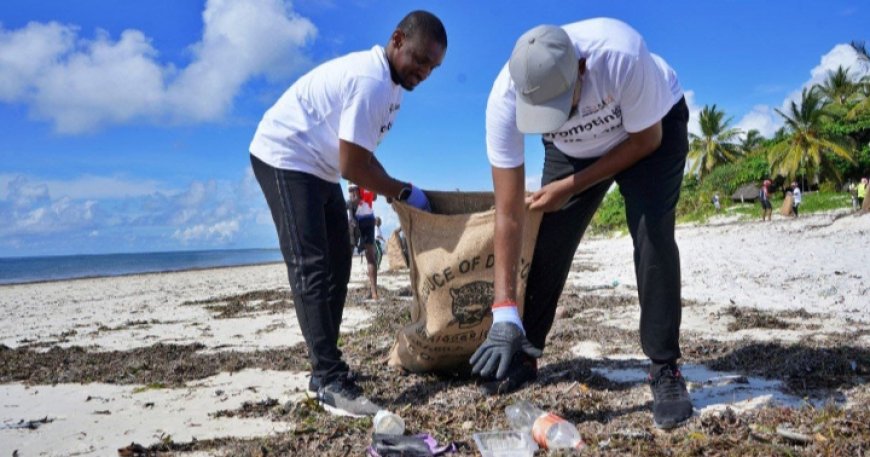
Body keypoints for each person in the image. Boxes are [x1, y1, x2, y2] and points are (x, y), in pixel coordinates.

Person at [472, 19, 693, 429]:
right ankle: (526, 349)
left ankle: (665, 367)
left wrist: (570, 186)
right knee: (548, 238)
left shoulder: (621, 54)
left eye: (561, 105)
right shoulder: (503, 98)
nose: (554, 119)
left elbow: (646, 142)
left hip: (650, 130)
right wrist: (504, 311)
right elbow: (509, 212)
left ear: (580, 68)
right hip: (574, 152)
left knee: (652, 233)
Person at [248, 10, 445, 418]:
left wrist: (395, 190)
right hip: (285, 153)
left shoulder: (391, 89)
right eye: (421, 59)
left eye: (433, 66)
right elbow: (353, 167)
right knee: (312, 264)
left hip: (318, 165)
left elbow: (362, 153)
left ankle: (327, 367)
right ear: (397, 40)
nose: (425, 71)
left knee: (339, 260)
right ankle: (327, 378)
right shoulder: (370, 80)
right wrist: (402, 190)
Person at [354, 185, 381, 300]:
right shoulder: (368, 180)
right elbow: (374, 197)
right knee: (371, 257)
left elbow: (354, 200)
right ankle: (374, 292)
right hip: (370, 218)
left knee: (344, 252)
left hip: (359, 220)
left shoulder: (354, 177)